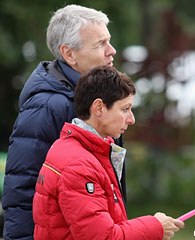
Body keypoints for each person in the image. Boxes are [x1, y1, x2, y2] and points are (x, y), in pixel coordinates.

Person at [2, 4, 118, 240]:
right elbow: (24, 186)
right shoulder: (48, 106)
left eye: (109, 41)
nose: (112, 51)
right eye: (100, 44)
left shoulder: (93, 97)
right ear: (69, 54)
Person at [32, 65, 184, 240]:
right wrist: (155, 227)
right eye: (125, 109)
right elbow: (102, 237)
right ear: (99, 108)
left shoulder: (78, 150)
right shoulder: (78, 164)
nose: (132, 119)